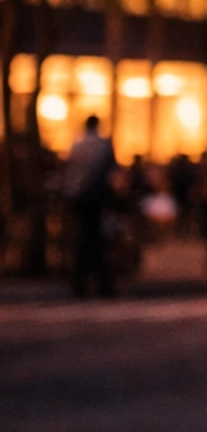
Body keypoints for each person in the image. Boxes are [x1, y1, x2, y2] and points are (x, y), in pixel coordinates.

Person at [62, 114, 117, 298]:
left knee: (84, 238)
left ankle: (81, 282)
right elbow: (111, 172)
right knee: (95, 240)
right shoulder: (103, 145)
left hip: (78, 197)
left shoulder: (77, 145)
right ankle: (102, 283)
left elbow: (70, 171)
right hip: (96, 196)